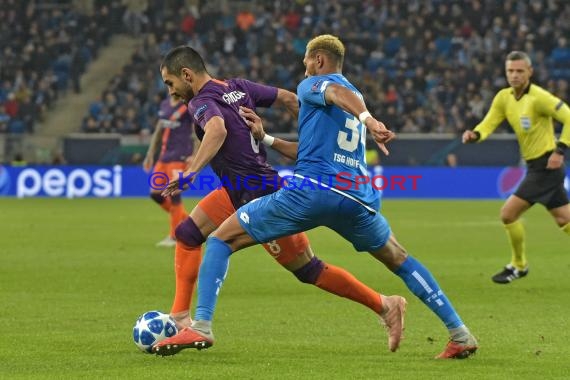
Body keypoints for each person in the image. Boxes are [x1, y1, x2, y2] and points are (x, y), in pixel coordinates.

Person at [155, 35, 477, 359]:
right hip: (357, 199)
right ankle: (459, 333)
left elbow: (330, 92)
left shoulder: (315, 86)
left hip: (311, 193)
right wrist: (265, 137)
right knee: (400, 259)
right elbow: (308, 147)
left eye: (306, 62)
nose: (304, 69)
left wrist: (370, 120)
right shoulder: (353, 99)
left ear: (319, 60)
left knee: (221, 241)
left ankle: (202, 326)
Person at [462, 51, 570, 284]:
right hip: (535, 166)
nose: (514, 75)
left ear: (530, 72)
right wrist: (476, 135)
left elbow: (569, 116)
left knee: (508, 214)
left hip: (546, 167)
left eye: (520, 71)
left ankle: (519, 266)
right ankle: (519, 266)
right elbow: (490, 122)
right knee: (564, 219)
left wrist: (560, 150)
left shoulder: (540, 98)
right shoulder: (504, 97)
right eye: (510, 70)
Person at [143, 94, 195, 247]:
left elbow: (197, 130)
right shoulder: (165, 104)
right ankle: (187, 220)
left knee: (174, 194)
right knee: (155, 194)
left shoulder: (187, 105)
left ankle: (174, 236)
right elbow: (158, 131)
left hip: (180, 155)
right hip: (164, 157)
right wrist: (150, 154)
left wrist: (195, 154)